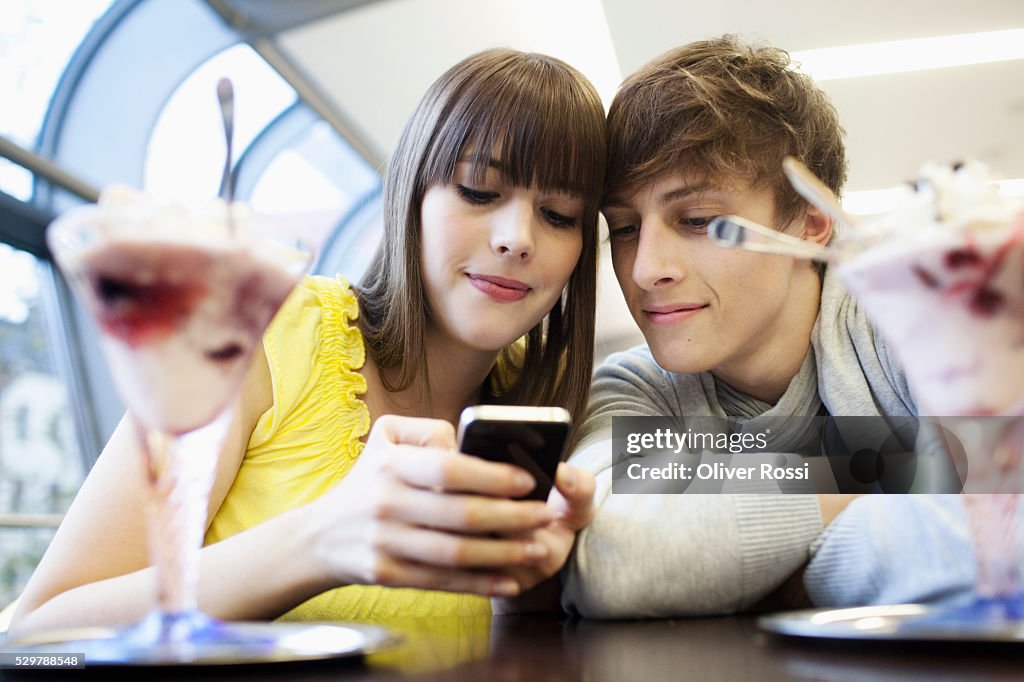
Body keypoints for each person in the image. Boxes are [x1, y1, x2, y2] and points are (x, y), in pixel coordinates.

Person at [11, 47, 605, 633]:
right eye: (478, 191)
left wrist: (534, 588)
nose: (516, 238)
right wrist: (320, 541)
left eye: (559, 214)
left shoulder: (549, 405)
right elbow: (37, 631)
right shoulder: (268, 327)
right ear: (410, 196)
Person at [559, 35, 919, 618]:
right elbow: (610, 566)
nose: (647, 270)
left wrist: (754, 578)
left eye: (698, 221)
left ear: (810, 224)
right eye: (623, 228)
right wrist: (884, 476)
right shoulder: (636, 388)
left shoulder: (903, 325)